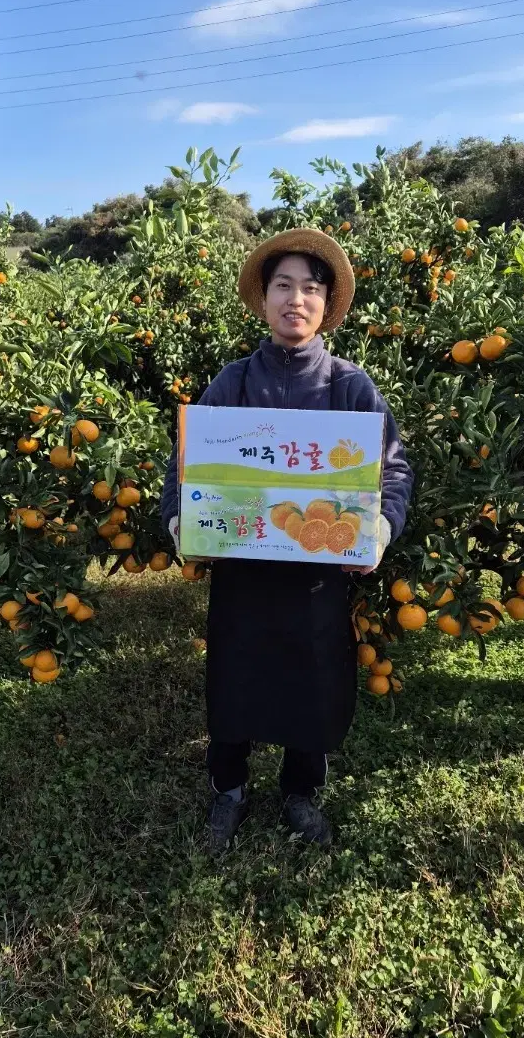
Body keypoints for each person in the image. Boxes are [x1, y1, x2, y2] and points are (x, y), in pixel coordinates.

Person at [161, 229, 413, 852]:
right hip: (243, 571)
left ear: (326, 304)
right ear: (264, 300)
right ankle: (230, 787)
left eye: (309, 288)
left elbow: (394, 469)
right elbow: (186, 465)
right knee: (235, 676)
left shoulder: (350, 387)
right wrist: (178, 522)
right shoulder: (235, 380)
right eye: (283, 286)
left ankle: (300, 791)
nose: (295, 299)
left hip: (317, 575)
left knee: (314, 679)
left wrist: (379, 526)